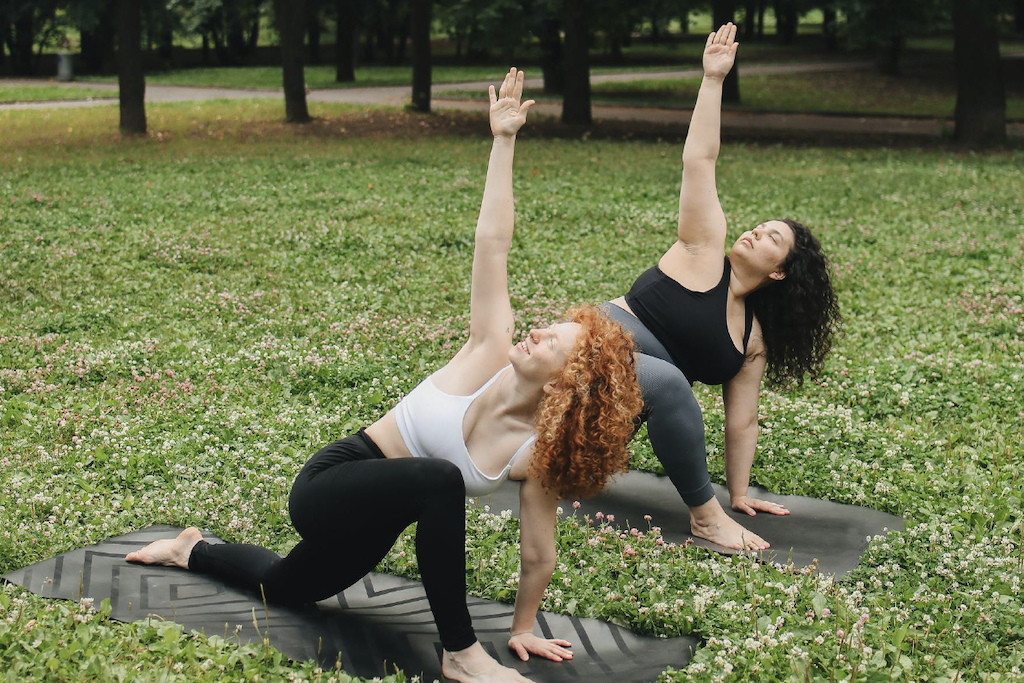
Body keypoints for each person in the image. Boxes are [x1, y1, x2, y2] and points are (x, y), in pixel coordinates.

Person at [125, 68, 642, 683]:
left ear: (569, 381)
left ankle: (191, 548)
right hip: (334, 480)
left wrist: (525, 627)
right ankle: (461, 654)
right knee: (442, 479)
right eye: (545, 326)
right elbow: (493, 243)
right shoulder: (487, 352)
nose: (535, 331)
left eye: (551, 340)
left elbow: (538, 550)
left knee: (285, 588)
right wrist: (503, 141)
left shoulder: (537, 453)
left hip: (378, 518)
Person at [604, 23, 841, 551]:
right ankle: (704, 517)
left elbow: (744, 420)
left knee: (649, 398)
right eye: (762, 224)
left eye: (772, 237)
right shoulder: (702, 249)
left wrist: (740, 491)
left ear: (780, 272)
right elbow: (699, 161)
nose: (757, 229)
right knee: (670, 384)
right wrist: (712, 80)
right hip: (587, 354)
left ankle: (527, 453)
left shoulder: (751, 340)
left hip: (608, 412)